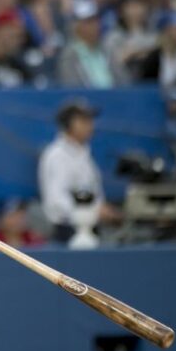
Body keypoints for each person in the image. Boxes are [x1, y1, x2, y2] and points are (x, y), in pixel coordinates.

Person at [38, 99, 122, 245]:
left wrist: (102, 209)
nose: (90, 125)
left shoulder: (83, 154)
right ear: (68, 124)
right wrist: (95, 211)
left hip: (90, 228)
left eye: (90, 120)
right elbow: (56, 201)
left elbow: (93, 192)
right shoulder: (57, 155)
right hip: (67, 232)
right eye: (83, 120)